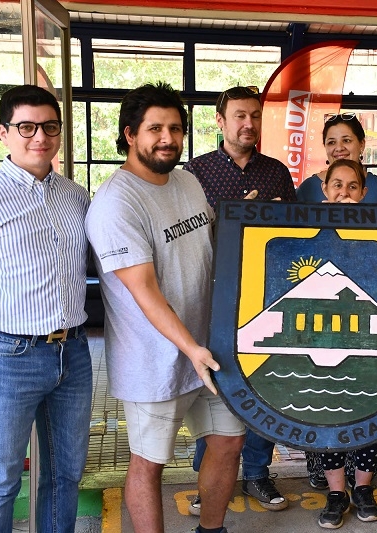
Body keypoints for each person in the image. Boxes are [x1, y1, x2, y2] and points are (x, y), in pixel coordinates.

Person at [85, 82, 246, 533]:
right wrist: (190, 349)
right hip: (154, 361)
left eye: (175, 128)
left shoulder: (187, 181)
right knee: (149, 462)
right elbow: (145, 292)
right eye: (155, 128)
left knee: (229, 442)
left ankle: (210, 529)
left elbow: (211, 248)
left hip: (209, 350)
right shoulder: (117, 203)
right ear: (130, 133)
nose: (167, 138)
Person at [0, 84, 92, 533]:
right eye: (26, 127)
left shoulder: (75, 197)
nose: (40, 136)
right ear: (4, 133)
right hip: (5, 357)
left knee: (65, 475)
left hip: (73, 354)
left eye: (49, 127)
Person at [183, 85, 292, 514]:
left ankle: (258, 474)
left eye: (255, 116)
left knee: (263, 385)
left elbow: (297, 236)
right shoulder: (194, 173)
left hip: (267, 297)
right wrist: (229, 212)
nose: (249, 124)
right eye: (240, 116)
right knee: (217, 387)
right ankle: (207, 482)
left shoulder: (277, 172)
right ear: (220, 121)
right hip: (214, 299)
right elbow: (186, 238)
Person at [314, 158, 377, 529]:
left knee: (369, 408)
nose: (344, 192)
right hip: (321, 336)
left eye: (352, 186)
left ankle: (363, 488)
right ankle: (336, 491)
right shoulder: (304, 224)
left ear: (364, 192)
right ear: (324, 190)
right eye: (337, 185)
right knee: (327, 409)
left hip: (364, 334)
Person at [296, 112, 377, 204]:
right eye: (331, 142)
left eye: (346, 140)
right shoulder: (307, 188)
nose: (339, 148)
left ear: (362, 144)